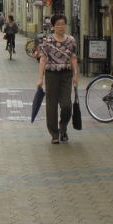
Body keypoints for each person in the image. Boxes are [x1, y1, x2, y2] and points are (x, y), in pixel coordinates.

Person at [36, 14, 78, 144]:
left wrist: (76, 75)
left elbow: (73, 58)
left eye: (63, 24)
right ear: (53, 26)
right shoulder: (48, 41)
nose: (61, 26)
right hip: (51, 75)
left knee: (66, 105)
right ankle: (54, 134)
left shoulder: (71, 40)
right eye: (58, 24)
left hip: (66, 74)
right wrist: (40, 79)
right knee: (52, 104)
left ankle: (63, 128)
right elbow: (43, 59)